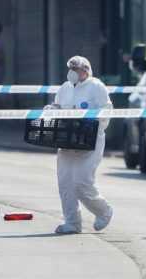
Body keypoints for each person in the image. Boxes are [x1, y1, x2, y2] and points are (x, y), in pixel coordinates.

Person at [45, 56, 114, 234]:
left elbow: (107, 110)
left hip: (90, 142)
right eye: (70, 69)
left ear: (85, 70)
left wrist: (92, 123)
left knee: (82, 182)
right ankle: (72, 222)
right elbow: (57, 107)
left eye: (75, 69)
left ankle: (104, 211)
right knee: (65, 183)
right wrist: (51, 111)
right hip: (67, 142)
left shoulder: (96, 86)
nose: (72, 73)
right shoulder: (64, 88)